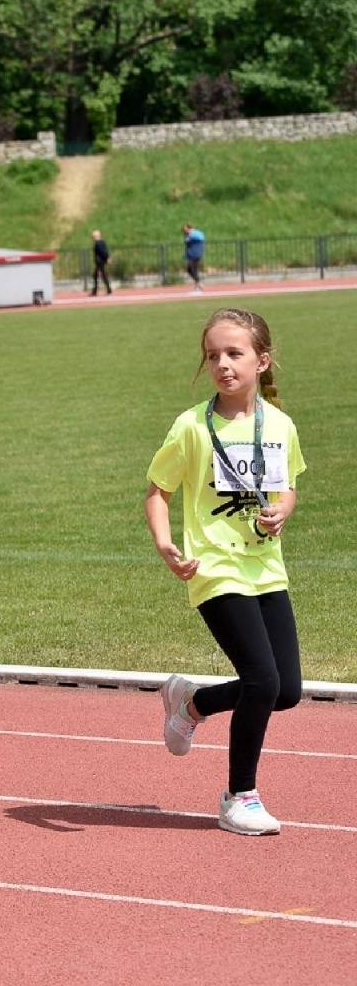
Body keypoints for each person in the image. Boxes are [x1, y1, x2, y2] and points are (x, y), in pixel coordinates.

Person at [146, 308, 304, 836]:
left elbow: (288, 485)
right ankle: (240, 797)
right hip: (213, 567)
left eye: (234, 353)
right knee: (261, 679)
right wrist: (167, 545)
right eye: (213, 355)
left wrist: (284, 507)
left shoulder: (278, 423)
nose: (222, 364)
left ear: (262, 360)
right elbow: (157, 492)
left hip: (266, 567)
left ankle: (192, 703)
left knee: (285, 691)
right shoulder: (191, 426)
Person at [183, 224, 206, 293]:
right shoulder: (187, 236)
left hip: (196, 254)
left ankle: (198, 287)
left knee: (193, 270)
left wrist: (191, 235)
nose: (185, 231)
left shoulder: (196, 234)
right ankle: (199, 283)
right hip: (191, 255)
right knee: (189, 270)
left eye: (186, 229)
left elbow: (201, 237)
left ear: (190, 228)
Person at [91, 230, 112, 296]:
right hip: (101, 261)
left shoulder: (98, 244)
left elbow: (103, 252)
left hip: (99, 262)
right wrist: (107, 258)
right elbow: (105, 251)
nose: (93, 238)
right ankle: (95, 291)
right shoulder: (102, 242)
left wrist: (107, 258)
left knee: (103, 275)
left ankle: (108, 290)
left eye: (93, 236)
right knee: (96, 276)